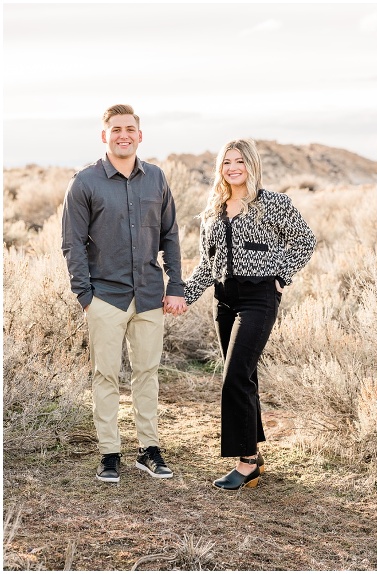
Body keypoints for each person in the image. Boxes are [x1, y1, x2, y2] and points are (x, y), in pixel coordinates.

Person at [62, 104, 186, 484]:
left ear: (140, 134)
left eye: (129, 128)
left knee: (147, 374)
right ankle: (109, 453)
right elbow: (72, 244)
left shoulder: (157, 179)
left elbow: (170, 235)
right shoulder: (85, 182)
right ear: (105, 135)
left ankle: (148, 450)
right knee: (106, 375)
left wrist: (176, 286)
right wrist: (86, 295)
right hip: (106, 298)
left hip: (150, 295)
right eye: (115, 129)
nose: (123, 135)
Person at [184, 138, 316, 490]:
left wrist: (280, 275)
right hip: (223, 300)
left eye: (239, 161)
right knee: (246, 378)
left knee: (235, 377)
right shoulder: (213, 211)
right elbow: (206, 265)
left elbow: (305, 241)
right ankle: (254, 457)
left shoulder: (273, 203)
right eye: (227, 162)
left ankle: (245, 464)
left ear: (251, 165)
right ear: (220, 168)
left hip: (258, 298)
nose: (233, 168)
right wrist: (183, 296)